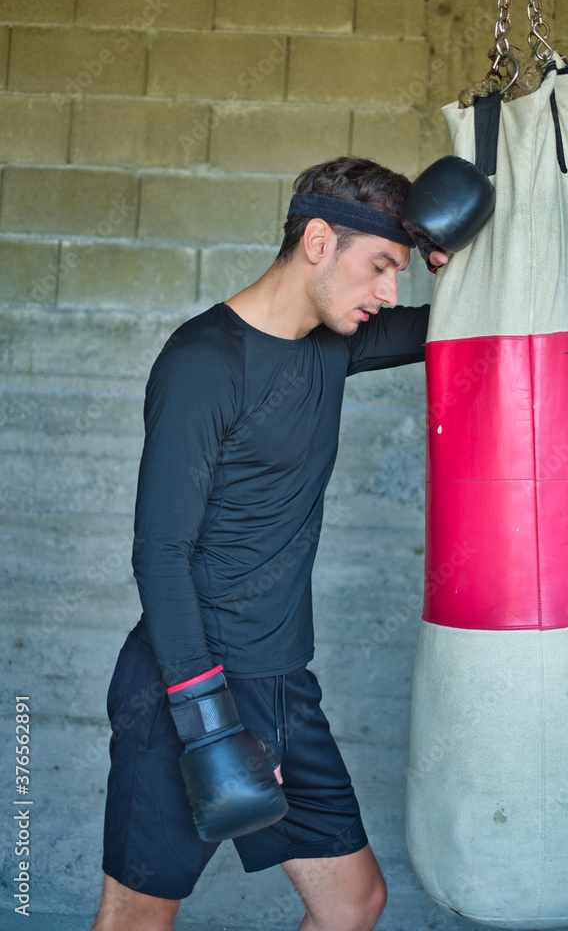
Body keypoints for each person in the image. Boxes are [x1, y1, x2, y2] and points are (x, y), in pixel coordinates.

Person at [90, 156, 448, 931]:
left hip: (282, 681)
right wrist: (207, 717)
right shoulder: (203, 361)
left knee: (354, 906)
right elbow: (159, 552)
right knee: (135, 919)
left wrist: (453, 262)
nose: (390, 291)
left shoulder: (333, 342)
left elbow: (449, 327)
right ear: (318, 239)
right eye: (381, 266)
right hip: (188, 687)